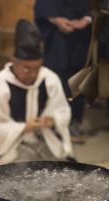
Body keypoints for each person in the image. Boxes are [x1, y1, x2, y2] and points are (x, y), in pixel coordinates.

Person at [0, 19, 74, 165]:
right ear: (13, 61)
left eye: (37, 68)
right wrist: (24, 127)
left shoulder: (49, 79)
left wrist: (52, 121)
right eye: (26, 68)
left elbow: (63, 110)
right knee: (22, 176)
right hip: (13, 148)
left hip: (45, 142)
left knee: (63, 174)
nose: (32, 74)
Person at [34, 0, 92, 143]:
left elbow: (93, 8)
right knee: (54, 79)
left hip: (80, 37)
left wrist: (86, 20)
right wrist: (56, 19)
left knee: (78, 80)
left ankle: (73, 124)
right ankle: (47, 126)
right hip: (56, 37)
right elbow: (43, 6)